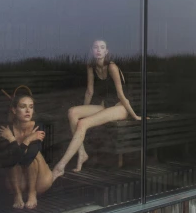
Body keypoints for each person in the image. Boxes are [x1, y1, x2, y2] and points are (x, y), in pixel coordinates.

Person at [52, 40, 140, 180]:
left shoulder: (111, 66)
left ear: (106, 51)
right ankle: (82, 153)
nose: (99, 50)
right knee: (72, 112)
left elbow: (121, 95)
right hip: (106, 105)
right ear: (92, 50)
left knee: (83, 124)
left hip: (121, 106)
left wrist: (134, 116)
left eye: (102, 47)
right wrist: (83, 110)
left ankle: (60, 166)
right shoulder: (91, 66)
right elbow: (89, 92)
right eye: (96, 47)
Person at [0, 86, 54, 209]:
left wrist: (15, 141)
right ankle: (17, 195)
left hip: (40, 181)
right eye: (23, 107)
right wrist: (27, 139)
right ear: (14, 110)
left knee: (33, 156)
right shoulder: (7, 129)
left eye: (31, 107)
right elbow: (11, 161)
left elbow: (28, 158)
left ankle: (32, 193)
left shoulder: (38, 127)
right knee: (13, 158)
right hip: (18, 182)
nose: (28, 111)